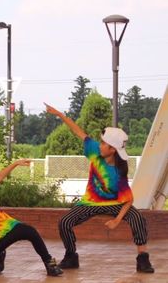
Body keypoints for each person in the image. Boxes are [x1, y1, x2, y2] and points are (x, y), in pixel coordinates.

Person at [45, 103, 154, 273]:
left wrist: (117, 220)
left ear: (113, 149)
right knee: (64, 222)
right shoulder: (96, 151)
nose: (100, 145)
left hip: (114, 203)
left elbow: (129, 200)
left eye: (104, 143)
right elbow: (78, 132)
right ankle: (71, 256)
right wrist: (59, 114)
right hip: (90, 202)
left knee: (138, 217)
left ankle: (143, 259)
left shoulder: (120, 171)